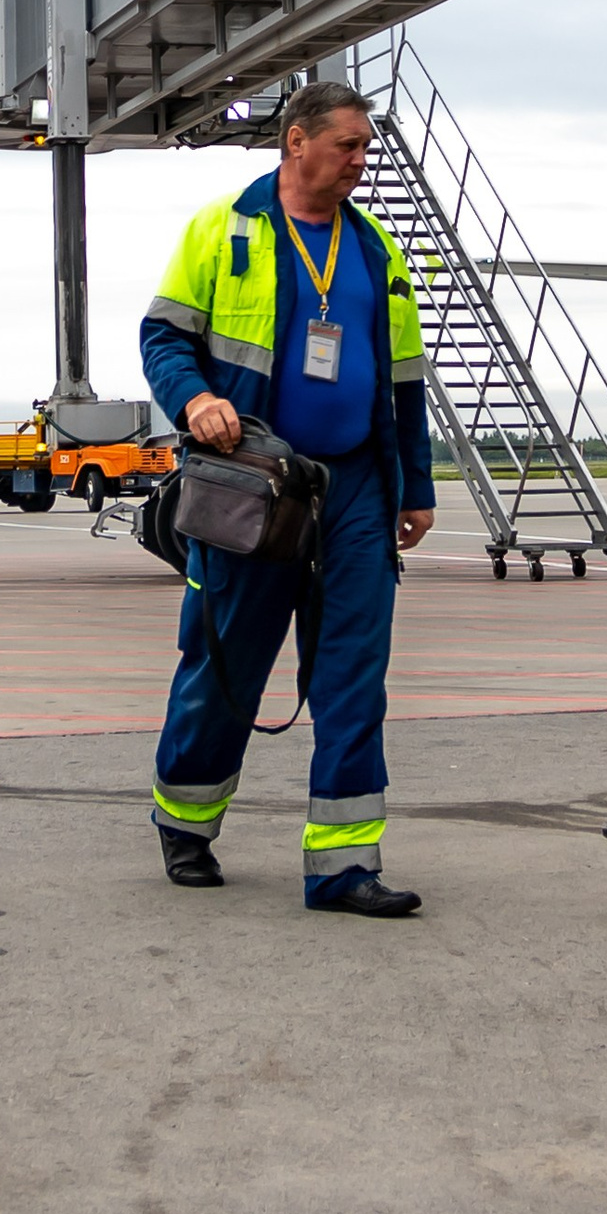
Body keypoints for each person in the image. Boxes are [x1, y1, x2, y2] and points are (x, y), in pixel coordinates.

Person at [140, 81, 436, 917]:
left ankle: (342, 866)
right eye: (348, 146)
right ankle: (186, 820)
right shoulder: (221, 227)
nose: (361, 162)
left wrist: (415, 486)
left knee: (353, 675)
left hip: (354, 492)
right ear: (296, 141)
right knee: (226, 659)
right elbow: (162, 335)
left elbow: (406, 382)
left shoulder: (375, 249)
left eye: (365, 147)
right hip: (254, 484)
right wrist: (193, 399)